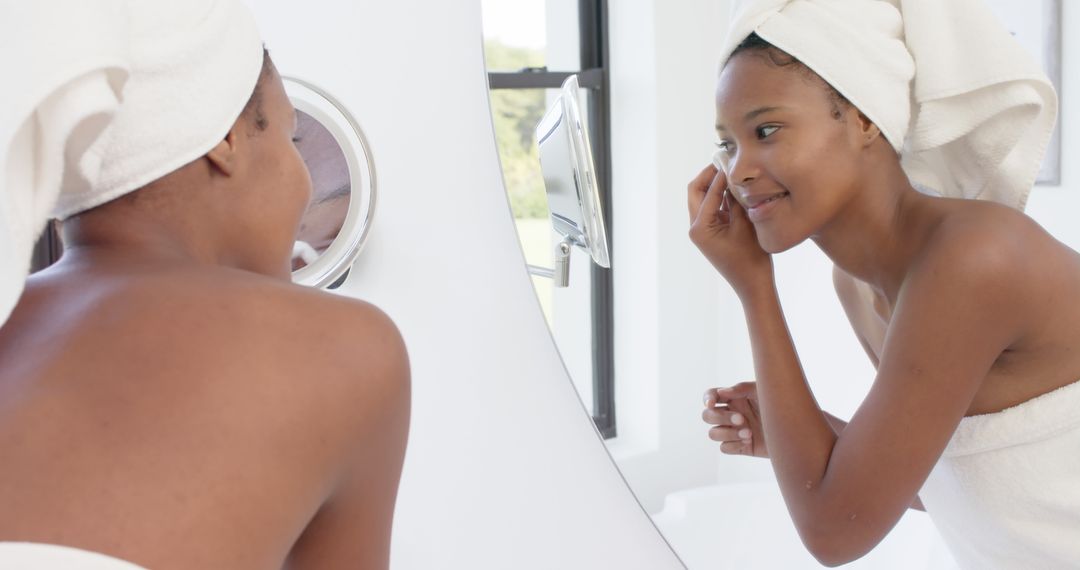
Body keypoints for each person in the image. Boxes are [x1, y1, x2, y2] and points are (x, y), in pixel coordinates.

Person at [0, 2, 409, 569]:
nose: (303, 182)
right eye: (292, 139)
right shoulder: (344, 348)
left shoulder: (10, 320)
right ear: (226, 138)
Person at [692, 1, 1079, 567]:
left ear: (864, 118)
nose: (739, 169)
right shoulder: (855, 284)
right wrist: (807, 438)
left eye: (766, 129)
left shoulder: (975, 259)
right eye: (727, 144)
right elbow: (957, 480)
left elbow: (835, 534)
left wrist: (754, 286)